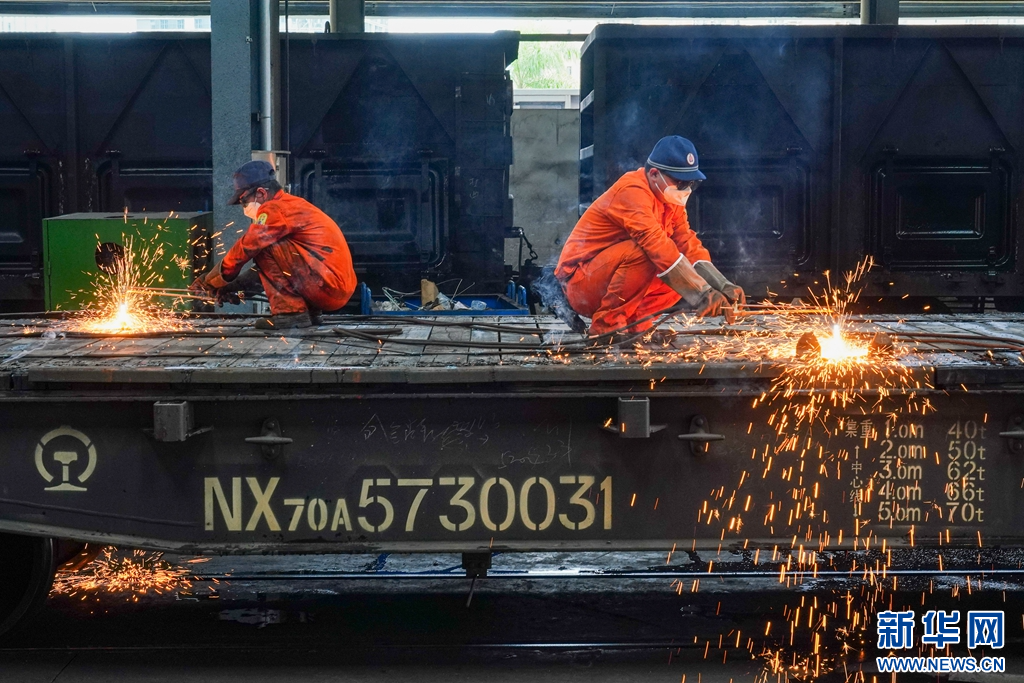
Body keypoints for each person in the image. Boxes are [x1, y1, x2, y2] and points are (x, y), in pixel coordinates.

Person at [554, 136, 744, 338]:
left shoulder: (670, 200)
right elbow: (655, 244)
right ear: (654, 174)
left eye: (690, 183)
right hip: (581, 286)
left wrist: (721, 285)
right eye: (680, 183)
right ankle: (606, 329)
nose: (685, 190)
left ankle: (638, 326)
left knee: (682, 269)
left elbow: (687, 243)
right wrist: (703, 294)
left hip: (606, 280)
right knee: (651, 254)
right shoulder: (632, 191)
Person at [192, 160, 357, 330]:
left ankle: (291, 315)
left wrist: (210, 281)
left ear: (261, 193)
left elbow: (245, 248)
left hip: (327, 285)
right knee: (265, 245)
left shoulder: (274, 208)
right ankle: (309, 314)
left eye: (244, 201)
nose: (244, 207)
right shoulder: (291, 204)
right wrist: (234, 287)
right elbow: (278, 268)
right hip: (331, 287)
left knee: (260, 243)